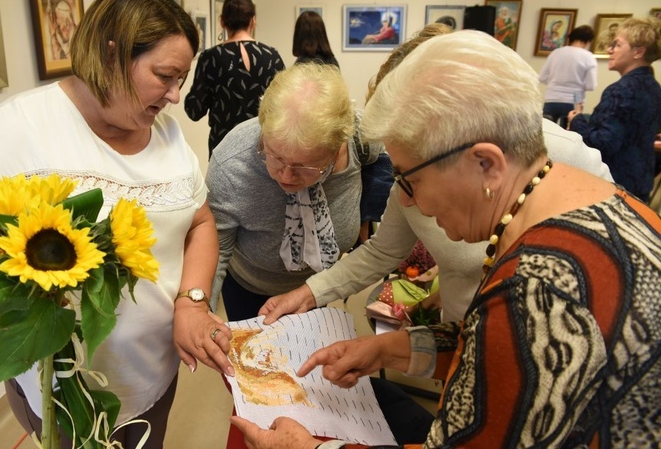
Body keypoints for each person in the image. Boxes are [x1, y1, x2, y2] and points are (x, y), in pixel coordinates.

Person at [233, 29, 661, 448]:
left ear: (485, 164)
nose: (406, 198)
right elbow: (488, 350)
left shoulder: (537, 290)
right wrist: (389, 348)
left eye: (410, 178)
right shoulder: (606, 207)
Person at [0, 0, 232, 448]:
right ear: (111, 54)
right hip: (63, 393)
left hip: (155, 376)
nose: (174, 96)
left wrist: (192, 301)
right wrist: (27, 326)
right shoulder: (16, 130)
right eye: (165, 76)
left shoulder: (164, 132)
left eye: (180, 79)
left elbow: (200, 223)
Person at [260, 24, 611, 327]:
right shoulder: (417, 178)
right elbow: (383, 252)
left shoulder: (570, 164)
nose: (406, 198)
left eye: (409, 175)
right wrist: (312, 294)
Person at [207, 62, 431, 444]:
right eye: (275, 157)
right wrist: (205, 313)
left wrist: (360, 226)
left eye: (304, 166)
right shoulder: (233, 165)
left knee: (321, 386)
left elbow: (380, 193)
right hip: (252, 287)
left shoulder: (364, 138)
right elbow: (216, 251)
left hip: (325, 285)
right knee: (266, 389)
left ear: (337, 147)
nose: (285, 176)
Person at [568, 17, 661, 203]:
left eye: (617, 45)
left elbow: (604, 143)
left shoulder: (621, 90)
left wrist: (576, 120)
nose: (609, 50)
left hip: (614, 187)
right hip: (640, 186)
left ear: (638, 51)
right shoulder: (654, 87)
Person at [185, 0, 284, 156]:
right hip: (264, 148)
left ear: (222, 21)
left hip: (224, 149)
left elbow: (194, 111)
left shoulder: (211, 57)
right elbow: (283, 103)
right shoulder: (271, 55)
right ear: (253, 20)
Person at [539, 25, 598, 128]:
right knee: (568, 134)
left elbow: (542, 77)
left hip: (552, 98)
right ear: (588, 41)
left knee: (546, 131)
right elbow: (591, 85)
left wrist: (557, 82)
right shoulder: (588, 56)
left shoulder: (556, 53)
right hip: (575, 99)